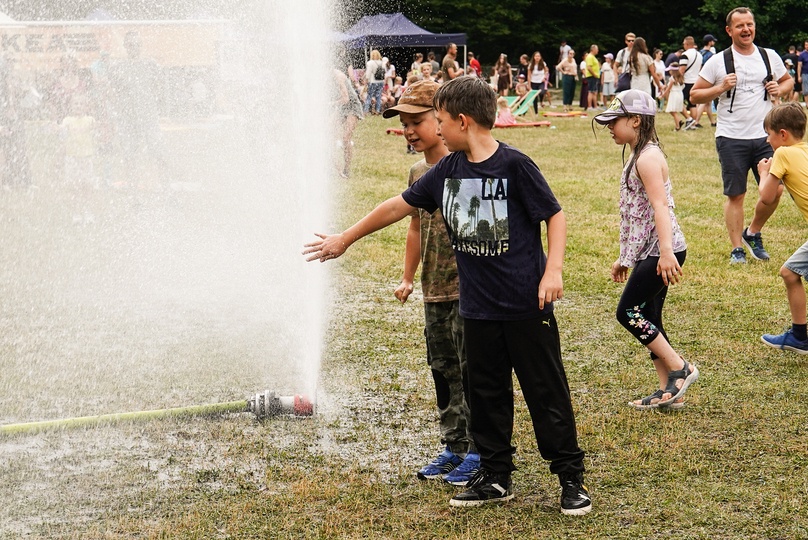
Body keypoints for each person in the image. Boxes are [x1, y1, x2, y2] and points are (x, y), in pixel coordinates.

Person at [304, 76, 592, 514]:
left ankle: (570, 478)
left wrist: (552, 271)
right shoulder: (447, 170)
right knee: (486, 394)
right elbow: (399, 206)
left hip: (524, 305)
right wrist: (346, 237)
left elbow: (553, 215)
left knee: (544, 391)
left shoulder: (515, 166)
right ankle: (496, 477)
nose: (436, 130)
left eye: (439, 121)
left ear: (462, 121)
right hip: (476, 309)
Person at [381, 79, 480, 485]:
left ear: (441, 120)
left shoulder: (469, 165)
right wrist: (408, 277)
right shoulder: (418, 171)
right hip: (432, 288)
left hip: (468, 289)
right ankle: (453, 446)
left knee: (472, 369)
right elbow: (415, 228)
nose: (408, 130)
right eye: (403, 123)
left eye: (416, 121)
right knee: (442, 368)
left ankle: (479, 449)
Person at [593, 89, 697, 409]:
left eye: (615, 121)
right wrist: (626, 258)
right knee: (650, 315)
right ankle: (669, 391)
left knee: (628, 312)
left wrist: (665, 252)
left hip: (661, 251)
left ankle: (680, 368)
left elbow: (659, 207)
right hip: (651, 251)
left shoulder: (649, 158)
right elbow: (635, 215)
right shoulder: (640, 155)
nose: (610, 127)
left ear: (635, 120)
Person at [690, 6, 793, 264]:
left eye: (749, 24)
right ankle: (737, 248)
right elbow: (694, 94)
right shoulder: (717, 61)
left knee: (775, 190)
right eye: (740, 26)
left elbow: (788, 81)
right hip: (731, 136)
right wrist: (720, 87)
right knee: (736, 195)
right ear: (729, 31)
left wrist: (778, 88)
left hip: (765, 136)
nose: (746, 29)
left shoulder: (769, 56)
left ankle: (753, 232)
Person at [758, 103, 808, 353]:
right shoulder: (805, 150)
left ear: (783, 134)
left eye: (769, 134)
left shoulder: (783, 154)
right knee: (790, 272)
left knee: (789, 273)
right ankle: (799, 336)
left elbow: (767, 197)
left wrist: (764, 172)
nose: (768, 140)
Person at [332, 69, 363, 178]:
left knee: (346, 138)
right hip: (341, 107)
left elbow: (346, 99)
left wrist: (329, 103)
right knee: (329, 134)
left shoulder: (339, 77)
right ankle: (336, 169)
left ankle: (346, 169)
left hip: (352, 106)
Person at [679, 36, 703, 130]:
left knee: (678, 101)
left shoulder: (685, 55)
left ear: (688, 44)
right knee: (692, 104)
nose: (683, 45)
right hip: (696, 81)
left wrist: (678, 81)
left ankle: (689, 119)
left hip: (687, 81)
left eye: (684, 44)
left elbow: (682, 70)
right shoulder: (699, 55)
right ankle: (693, 123)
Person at [660, 63, 686, 131]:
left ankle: (678, 123)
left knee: (672, 111)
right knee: (673, 110)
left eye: (670, 70)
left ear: (673, 71)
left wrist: (662, 95)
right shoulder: (680, 77)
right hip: (679, 94)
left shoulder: (672, 78)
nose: (669, 72)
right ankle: (678, 124)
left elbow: (668, 89)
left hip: (674, 94)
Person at [363, 50, 385, 115]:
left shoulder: (370, 62)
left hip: (373, 81)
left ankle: (366, 111)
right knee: (378, 97)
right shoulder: (382, 62)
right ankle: (377, 111)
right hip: (380, 81)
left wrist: (366, 81)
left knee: (369, 97)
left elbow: (368, 73)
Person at [584, 45, 601, 110]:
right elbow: (589, 67)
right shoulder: (590, 57)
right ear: (593, 49)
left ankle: (595, 106)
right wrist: (594, 74)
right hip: (592, 76)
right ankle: (590, 106)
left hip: (594, 77)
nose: (598, 51)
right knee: (591, 91)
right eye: (597, 49)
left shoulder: (593, 57)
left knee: (595, 91)